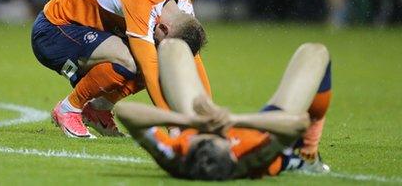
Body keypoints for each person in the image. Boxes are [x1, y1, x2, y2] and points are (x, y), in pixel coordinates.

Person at [31, 0, 211, 138]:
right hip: (53, 31)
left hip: (85, 29)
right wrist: (173, 128)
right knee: (133, 61)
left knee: (149, 57)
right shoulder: (142, 3)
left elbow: (192, 57)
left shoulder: (182, 9)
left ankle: (98, 110)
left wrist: (208, 117)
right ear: (163, 28)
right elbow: (151, 73)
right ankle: (69, 109)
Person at [114, 39, 332, 180]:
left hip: (195, 119)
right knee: (315, 52)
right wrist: (233, 120)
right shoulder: (252, 157)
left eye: (204, 136)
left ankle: (197, 119)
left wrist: (192, 123)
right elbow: (298, 123)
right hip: (266, 126)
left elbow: (124, 111)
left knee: (172, 47)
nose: (217, 132)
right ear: (232, 152)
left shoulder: (175, 157)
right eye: (221, 137)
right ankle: (309, 152)